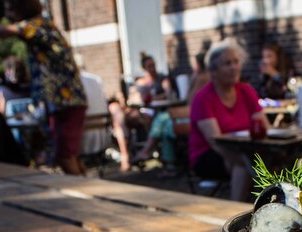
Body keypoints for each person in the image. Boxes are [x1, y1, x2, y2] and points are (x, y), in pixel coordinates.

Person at [0, 0, 88, 175]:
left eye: (10, 10)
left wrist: (9, 28)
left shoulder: (39, 26)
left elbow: (5, 31)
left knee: (65, 156)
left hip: (66, 101)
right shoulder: (43, 27)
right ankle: (88, 190)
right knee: (67, 155)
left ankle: (86, 196)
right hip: (62, 101)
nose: (8, 16)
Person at [189, 38, 269, 201]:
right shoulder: (203, 98)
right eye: (227, 63)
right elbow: (216, 142)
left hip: (247, 149)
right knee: (243, 165)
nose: (234, 67)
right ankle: (235, 213)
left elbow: (263, 126)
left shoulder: (246, 91)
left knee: (277, 161)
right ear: (213, 71)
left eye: (236, 62)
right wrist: (247, 160)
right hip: (210, 155)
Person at [132, 49, 210, 175]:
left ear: (199, 65)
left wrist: (194, 79)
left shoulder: (202, 78)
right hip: (187, 113)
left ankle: (157, 156)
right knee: (163, 122)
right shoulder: (200, 77)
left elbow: (191, 102)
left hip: (193, 117)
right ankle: (168, 163)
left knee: (163, 122)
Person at [108, 53, 173, 171]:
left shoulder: (162, 79)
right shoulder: (139, 82)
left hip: (155, 111)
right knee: (117, 117)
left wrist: (153, 98)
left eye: (153, 65)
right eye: (149, 66)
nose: (152, 68)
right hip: (139, 111)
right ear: (144, 68)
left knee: (121, 122)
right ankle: (126, 154)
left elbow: (168, 94)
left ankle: (129, 155)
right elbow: (132, 99)